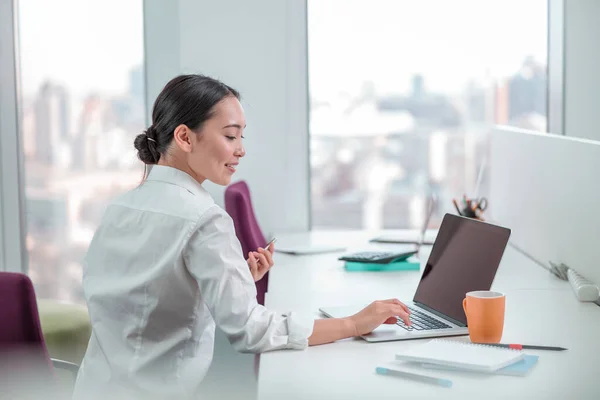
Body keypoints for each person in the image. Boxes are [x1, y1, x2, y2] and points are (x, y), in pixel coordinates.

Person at [72, 74, 411, 399]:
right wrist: (352, 324)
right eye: (230, 136)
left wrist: (234, 278)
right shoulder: (203, 219)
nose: (240, 150)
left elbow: (147, 297)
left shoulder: (119, 207)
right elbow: (250, 330)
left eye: (241, 137)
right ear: (186, 138)